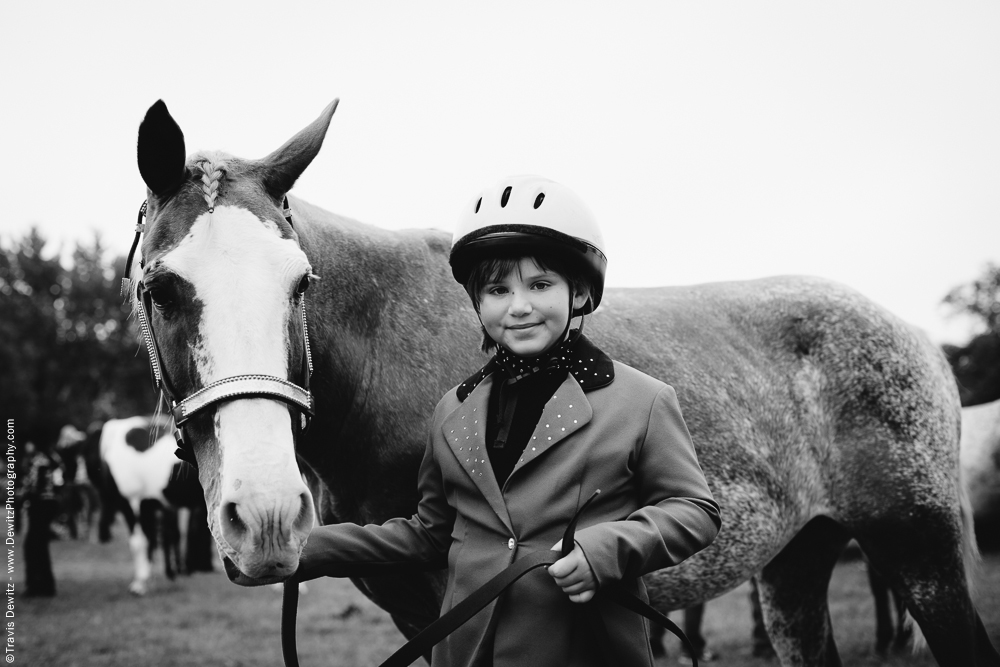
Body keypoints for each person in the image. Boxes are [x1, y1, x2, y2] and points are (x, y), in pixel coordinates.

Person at [239, 175, 722, 666]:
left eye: (540, 285)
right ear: (477, 302)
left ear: (578, 293)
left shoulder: (641, 399)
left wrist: (609, 549)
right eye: (497, 289)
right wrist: (304, 547)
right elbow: (429, 533)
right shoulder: (454, 410)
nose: (519, 306)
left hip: (585, 648)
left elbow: (694, 510)